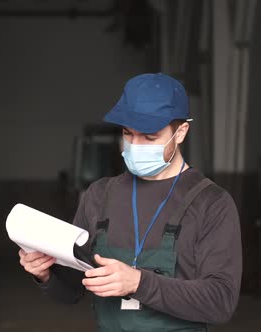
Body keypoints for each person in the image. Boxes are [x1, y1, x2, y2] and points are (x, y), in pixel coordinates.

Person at [18, 73, 242, 331]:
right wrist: (45, 273)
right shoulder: (100, 195)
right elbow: (72, 291)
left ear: (180, 132)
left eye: (149, 137)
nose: (135, 146)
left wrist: (138, 283)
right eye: (127, 134)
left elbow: (220, 301)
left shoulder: (211, 203)